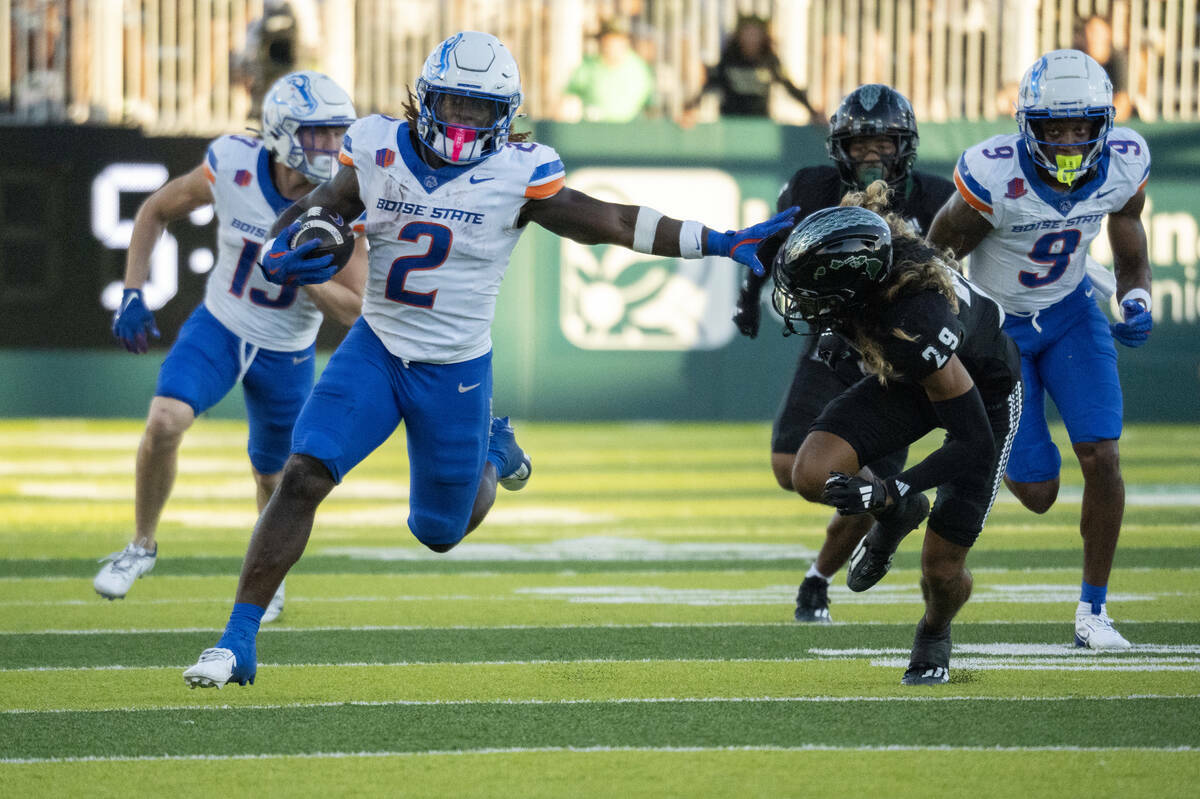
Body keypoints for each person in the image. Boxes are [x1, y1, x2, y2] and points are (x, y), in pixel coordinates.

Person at [182, 30, 797, 688]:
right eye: (453, 103)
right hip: (378, 347)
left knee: (440, 530)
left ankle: (494, 452)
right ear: (425, 99)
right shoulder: (377, 145)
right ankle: (237, 636)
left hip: (455, 367)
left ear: (502, 114)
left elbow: (617, 223)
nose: (463, 120)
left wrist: (722, 241)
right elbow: (320, 208)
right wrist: (283, 245)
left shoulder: (518, 173)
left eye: (479, 108)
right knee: (304, 472)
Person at [95, 70, 368, 625]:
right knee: (165, 420)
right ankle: (140, 545)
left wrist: (303, 274)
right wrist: (131, 292)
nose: (331, 146)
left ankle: (268, 580)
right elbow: (156, 209)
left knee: (274, 477)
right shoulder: (235, 163)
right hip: (220, 324)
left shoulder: (347, 199)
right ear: (282, 131)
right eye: (317, 134)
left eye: (337, 132)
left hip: (287, 349)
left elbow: (353, 308)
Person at [927, 49, 1152, 650]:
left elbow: (1132, 257)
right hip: (1000, 331)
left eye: (1084, 127)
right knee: (1038, 492)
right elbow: (936, 257)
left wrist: (1135, 299)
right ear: (1029, 125)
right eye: (1056, 128)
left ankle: (1094, 613)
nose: (1072, 141)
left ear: (1104, 125)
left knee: (1103, 454)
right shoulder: (995, 176)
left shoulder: (1124, 165)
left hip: (1073, 313)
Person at [775, 188, 1022, 684]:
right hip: (911, 378)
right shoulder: (870, 262)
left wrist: (891, 486)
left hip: (985, 396)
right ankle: (898, 515)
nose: (801, 302)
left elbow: (973, 442)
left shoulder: (915, 322)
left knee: (941, 568)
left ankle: (934, 629)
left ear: (853, 287)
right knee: (811, 472)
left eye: (812, 292)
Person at [735, 84, 955, 623]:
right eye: (860, 145)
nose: (872, 154)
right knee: (790, 467)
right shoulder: (812, 187)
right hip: (833, 341)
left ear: (905, 145)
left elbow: (960, 272)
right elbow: (768, 243)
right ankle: (890, 504)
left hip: (902, 357)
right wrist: (748, 295)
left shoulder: (936, 198)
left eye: (883, 142)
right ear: (840, 150)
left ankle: (818, 579)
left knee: (861, 476)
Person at [680, 14, 819, 126]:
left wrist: (813, 112)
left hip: (759, 124)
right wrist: (691, 108)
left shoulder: (769, 61)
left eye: (755, 34)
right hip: (731, 124)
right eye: (747, 33)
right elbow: (711, 83)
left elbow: (789, 86)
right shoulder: (730, 58)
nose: (751, 39)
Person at [560, 18, 656, 123]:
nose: (610, 45)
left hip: (630, 132)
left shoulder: (640, 70)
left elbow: (651, 107)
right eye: (606, 40)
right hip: (594, 130)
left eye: (614, 39)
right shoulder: (588, 67)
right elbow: (566, 99)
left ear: (625, 41)